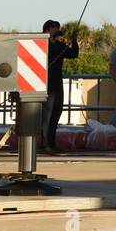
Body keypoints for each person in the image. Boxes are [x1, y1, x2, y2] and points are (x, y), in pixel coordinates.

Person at [41, 19, 79, 153]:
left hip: (57, 83)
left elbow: (73, 53)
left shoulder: (60, 45)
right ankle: (45, 144)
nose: (57, 29)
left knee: (56, 113)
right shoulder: (41, 45)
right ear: (47, 29)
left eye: (58, 27)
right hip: (46, 84)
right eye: (54, 27)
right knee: (47, 114)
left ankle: (51, 142)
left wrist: (74, 40)